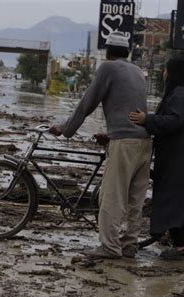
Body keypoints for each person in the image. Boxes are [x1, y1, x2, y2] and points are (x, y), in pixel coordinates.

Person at [50, 31, 151, 259]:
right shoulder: (137, 71)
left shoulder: (108, 68)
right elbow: (128, 106)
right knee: (135, 198)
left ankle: (109, 247)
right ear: (128, 52)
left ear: (107, 51)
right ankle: (129, 245)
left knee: (112, 195)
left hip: (124, 143)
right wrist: (110, 133)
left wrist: (65, 129)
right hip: (144, 141)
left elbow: (88, 102)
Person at [129, 57, 184, 259]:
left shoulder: (180, 93)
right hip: (179, 151)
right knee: (175, 198)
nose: (164, 74)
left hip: (181, 153)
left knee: (174, 198)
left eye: (165, 70)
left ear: (172, 73)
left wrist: (147, 120)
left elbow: (174, 120)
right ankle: (183, 245)